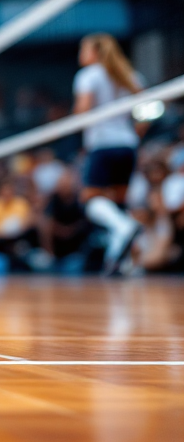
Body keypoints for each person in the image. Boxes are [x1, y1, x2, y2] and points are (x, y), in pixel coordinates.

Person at [72, 33, 145, 274]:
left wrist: (77, 123)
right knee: (118, 202)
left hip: (102, 144)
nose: (80, 54)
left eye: (84, 49)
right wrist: (133, 134)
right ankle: (120, 262)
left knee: (90, 200)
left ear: (95, 52)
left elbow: (82, 111)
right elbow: (144, 114)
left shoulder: (89, 76)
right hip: (127, 145)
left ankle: (125, 229)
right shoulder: (130, 75)